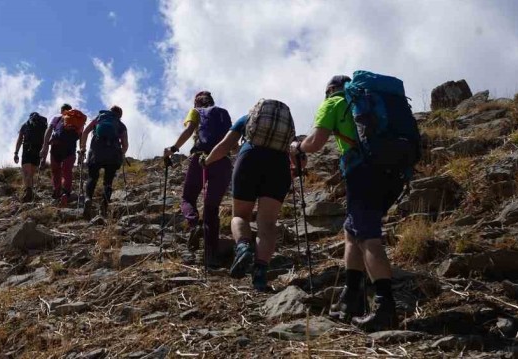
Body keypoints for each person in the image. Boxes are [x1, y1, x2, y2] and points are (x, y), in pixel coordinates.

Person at [296, 75, 407, 331]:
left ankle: (384, 306)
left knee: (367, 236)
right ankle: (352, 297)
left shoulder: (335, 102)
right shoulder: (371, 102)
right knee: (352, 231)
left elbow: (314, 142)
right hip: (393, 173)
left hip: (363, 172)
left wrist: (296, 146)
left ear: (331, 90)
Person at [203, 98, 295, 292]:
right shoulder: (286, 129)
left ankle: (243, 246)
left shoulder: (246, 119)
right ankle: (260, 272)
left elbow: (225, 145)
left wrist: (208, 161)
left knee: (240, 215)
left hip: (249, 160)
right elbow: (297, 155)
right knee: (268, 223)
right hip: (278, 165)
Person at [163, 91, 232, 268]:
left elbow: (189, 130)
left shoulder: (196, 112)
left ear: (196, 103)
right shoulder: (223, 113)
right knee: (211, 208)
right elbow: (233, 140)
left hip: (201, 158)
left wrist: (173, 148)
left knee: (188, 197)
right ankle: (211, 255)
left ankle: (194, 224)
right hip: (223, 160)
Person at [80, 105, 128, 219]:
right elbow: (125, 144)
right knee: (108, 181)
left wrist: (83, 147)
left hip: (96, 151)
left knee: (92, 177)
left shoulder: (99, 118)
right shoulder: (121, 125)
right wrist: (121, 153)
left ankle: (88, 199)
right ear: (120, 115)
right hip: (113, 153)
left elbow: (85, 132)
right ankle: (104, 206)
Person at [39, 104, 84, 206]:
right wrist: (82, 150)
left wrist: (45, 146)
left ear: (62, 110)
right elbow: (81, 135)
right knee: (67, 170)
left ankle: (56, 191)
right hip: (70, 148)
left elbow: (49, 131)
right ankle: (66, 192)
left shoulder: (57, 118)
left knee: (56, 170)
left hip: (56, 146)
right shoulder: (77, 120)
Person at [14, 111, 48, 201]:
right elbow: (46, 140)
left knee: (26, 173)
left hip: (27, 149)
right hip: (38, 151)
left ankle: (28, 192)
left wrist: (16, 153)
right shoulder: (43, 125)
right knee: (31, 173)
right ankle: (30, 192)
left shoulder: (25, 125)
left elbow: (20, 139)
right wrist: (44, 156)